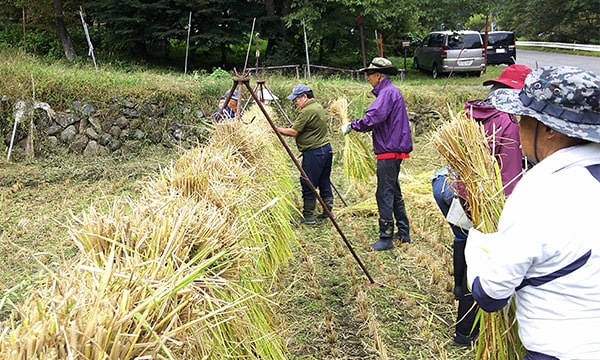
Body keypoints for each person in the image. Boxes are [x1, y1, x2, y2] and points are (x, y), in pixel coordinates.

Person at [465, 66, 600, 359]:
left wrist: (476, 249)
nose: (518, 126)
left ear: (549, 129)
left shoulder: (542, 193)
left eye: (523, 118)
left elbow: (491, 294)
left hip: (559, 352)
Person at [431, 64, 532, 346]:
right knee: (489, 263)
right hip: (489, 202)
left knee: (467, 249)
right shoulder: (510, 122)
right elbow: (509, 176)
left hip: (460, 194)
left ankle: (463, 325)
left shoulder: (472, 115)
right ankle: (479, 332)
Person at [341, 57, 413, 250]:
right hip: (393, 149)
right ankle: (404, 233)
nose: (368, 78)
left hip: (389, 150)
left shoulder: (387, 93)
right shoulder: (391, 91)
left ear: (379, 75)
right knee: (394, 190)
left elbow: (374, 117)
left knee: (384, 193)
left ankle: (386, 237)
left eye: (370, 74)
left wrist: (353, 125)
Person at [275, 84, 333, 225]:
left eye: (296, 99)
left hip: (314, 153)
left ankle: (308, 216)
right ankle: (328, 211)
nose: (295, 102)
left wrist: (275, 129)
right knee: (324, 181)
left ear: (304, 97)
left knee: (308, 182)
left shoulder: (307, 111)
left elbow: (294, 132)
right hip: (326, 149)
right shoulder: (318, 106)